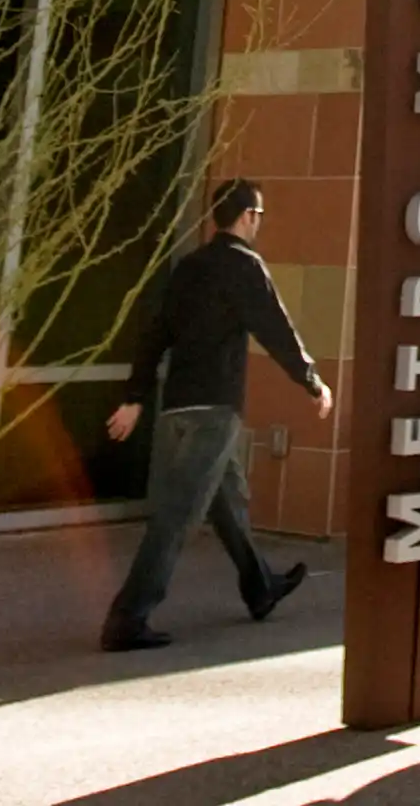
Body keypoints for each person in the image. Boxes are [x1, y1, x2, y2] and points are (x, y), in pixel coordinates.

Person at [100, 179, 332, 652]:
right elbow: (275, 328)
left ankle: (260, 585)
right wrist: (311, 381)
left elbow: (155, 333)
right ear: (247, 216)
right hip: (214, 410)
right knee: (176, 517)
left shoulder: (190, 266)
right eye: (260, 215)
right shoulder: (245, 267)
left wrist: (135, 397)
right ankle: (127, 617)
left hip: (177, 409)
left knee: (227, 501)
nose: (260, 223)